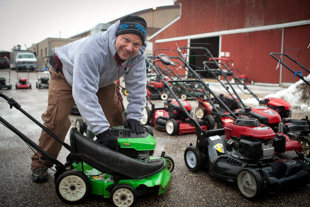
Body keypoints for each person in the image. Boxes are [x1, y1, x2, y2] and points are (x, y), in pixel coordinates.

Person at [31, 15, 147, 182]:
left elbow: (137, 86)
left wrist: (135, 116)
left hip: (103, 79)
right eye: (126, 40)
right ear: (116, 36)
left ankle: (121, 157)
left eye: (136, 44)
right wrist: (102, 131)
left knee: (116, 113)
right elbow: (84, 93)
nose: (129, 48)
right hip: (65, 73)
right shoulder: (92, 50)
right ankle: (41, 163)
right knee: (57, 119)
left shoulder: (138, 56)